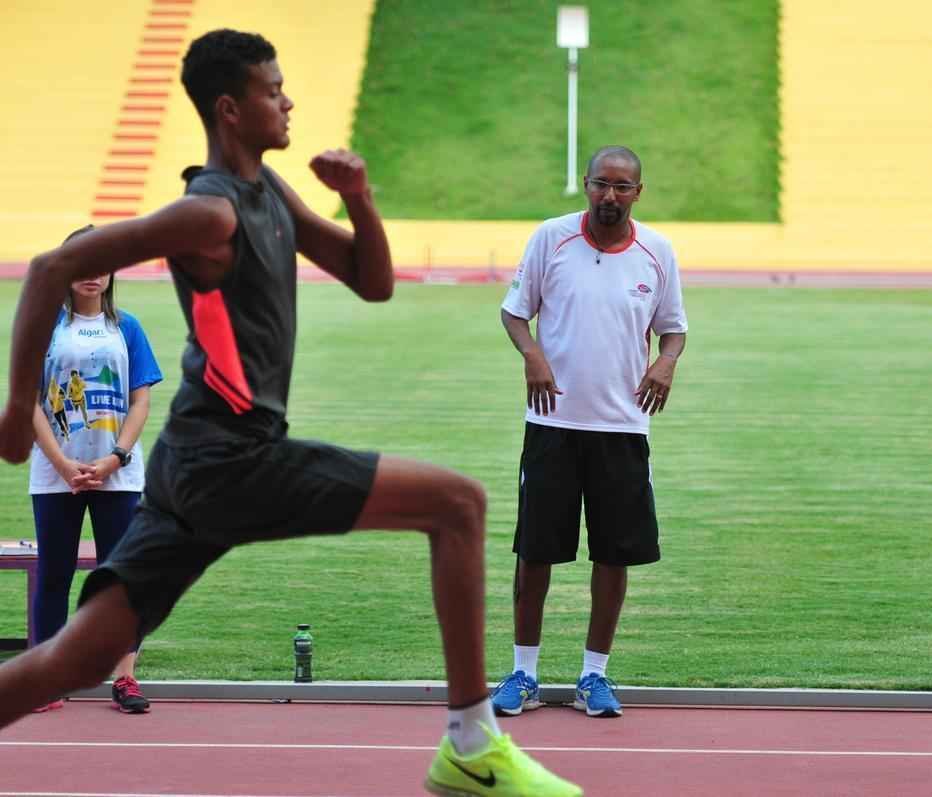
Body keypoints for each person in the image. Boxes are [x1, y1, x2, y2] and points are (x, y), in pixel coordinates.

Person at [0, 29, 580, 797]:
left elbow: (371, 281)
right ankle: (472, 746)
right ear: (231, 110)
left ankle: (470, 747)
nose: (289, 100)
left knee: (76, 657)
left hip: (191, 467)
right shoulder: (209, 213)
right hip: (231, 456)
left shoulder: (269, 194)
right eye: (274, 90)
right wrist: (15, 412)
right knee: (459, 504)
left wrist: (359, 197)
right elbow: (53, 264)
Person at [492, 146, 688, 720]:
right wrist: (531, 353)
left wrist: (666, 362)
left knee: (614, 554)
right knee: (534, 553)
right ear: (586, 184)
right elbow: (513, 311)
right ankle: (523, 674)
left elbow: (673, 330)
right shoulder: (550, 238)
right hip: (552, 424)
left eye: (622, 187)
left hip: (622, 427)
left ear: (638, 192)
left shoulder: (658, 253)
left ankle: (592, 677)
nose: (610, 196)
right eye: (601, 184)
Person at [29, 247, 162, 715]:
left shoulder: (128, 328)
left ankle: (124, 678)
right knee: (54, 576)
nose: (91, 275)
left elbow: (140, 400)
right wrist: (64, 465)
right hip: (55, 474)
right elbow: (28, 403)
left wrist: (115, 457)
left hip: (118, 475)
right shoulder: (45, 326)